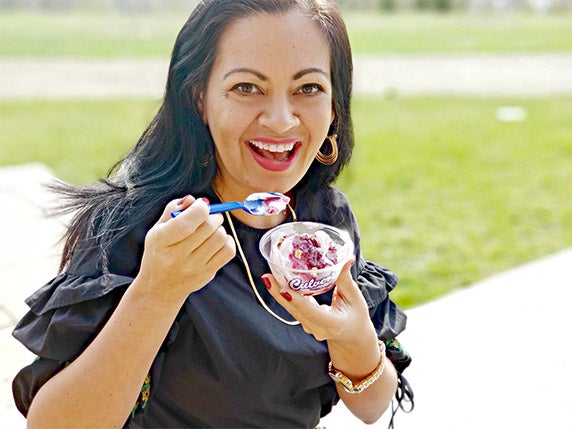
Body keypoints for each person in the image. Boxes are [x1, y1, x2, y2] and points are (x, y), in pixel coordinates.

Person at [12, 0, 413, 427]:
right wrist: (156, 293)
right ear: (199, 98)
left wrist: (353, 338)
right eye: (247, 87)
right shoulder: (136, 230)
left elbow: (371, 406)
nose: (280, 120)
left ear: (335, 106)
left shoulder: (325, 223)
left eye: (308, 88)